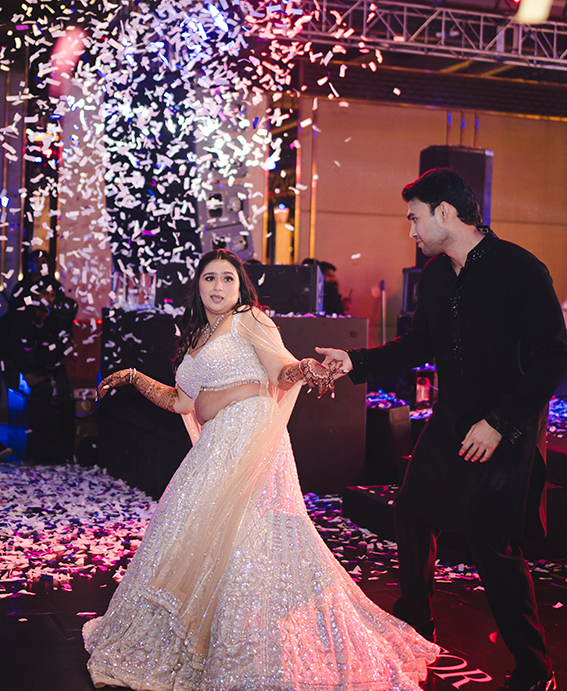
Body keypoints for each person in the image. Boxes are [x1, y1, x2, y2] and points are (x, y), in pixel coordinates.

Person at [82, 249, 438, 690]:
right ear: (197, 285)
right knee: (196, 534)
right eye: (209, 278)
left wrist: (305, 368)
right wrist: (135, 377)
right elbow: (181, 401)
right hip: (214, 449)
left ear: (241, 287)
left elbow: (281, 370)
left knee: (250, 538)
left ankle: (252, 650)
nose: (217, 287)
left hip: (251, 438)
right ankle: (200, 641)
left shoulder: (249, 319)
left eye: (227, 279)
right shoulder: (194, 337)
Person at [317, 169, 567, 691]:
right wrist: (354, 361)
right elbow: (417, 347)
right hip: (451, 420)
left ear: (446, 214)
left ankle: (534, 668)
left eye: (415, 218)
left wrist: (500, 424)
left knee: (493, 544)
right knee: (412, 512)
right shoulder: (434, 275)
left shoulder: (522, 270)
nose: (410, 230)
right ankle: (417, 625)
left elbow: (551, 362)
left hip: (509, 428)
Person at [0, 281, 76, 462]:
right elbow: (16, 345)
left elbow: (37, 348)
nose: (50, 299)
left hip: (11, 356)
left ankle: (21, 440)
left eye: (53, 296)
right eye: (47, 295)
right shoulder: (23, 315)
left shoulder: (45, 319)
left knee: (18, 395)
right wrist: (27, 372)